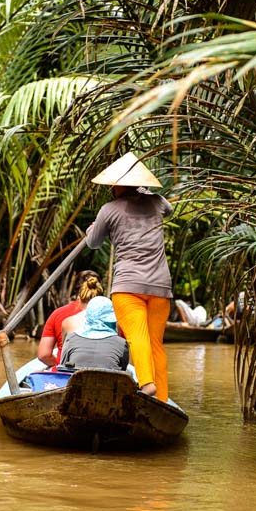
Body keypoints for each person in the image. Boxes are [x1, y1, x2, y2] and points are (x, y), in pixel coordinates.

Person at [85, 151, 173, 402]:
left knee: (137, 337)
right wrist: (144, 193)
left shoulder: (108, 209)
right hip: (159, 286)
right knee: (156, 343)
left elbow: (93, 242)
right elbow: (170, 210)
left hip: (127, 286)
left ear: (116, 185)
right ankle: (162, 401)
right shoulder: (156, 201)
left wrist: (94, 226)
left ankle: (146, 384)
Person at [37, 270, 102, 367]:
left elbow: (44, 355)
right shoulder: (112, 317)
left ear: (75, 290)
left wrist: (59, 364)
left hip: (66, 372)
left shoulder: (57, 314)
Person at [59, 296, 129, 371]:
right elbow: (123, 371)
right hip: (108, 382)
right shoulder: (121, 343)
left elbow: (63, 369)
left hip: (76, 382)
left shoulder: (71, 339)